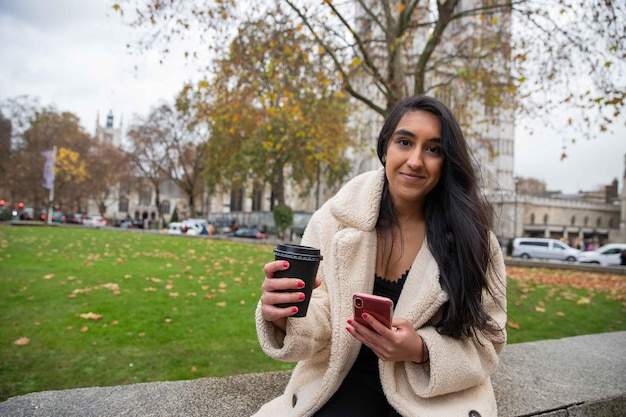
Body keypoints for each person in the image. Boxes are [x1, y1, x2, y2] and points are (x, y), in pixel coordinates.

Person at [254, 95, 507, 417]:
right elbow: (320, 320)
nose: (415, 160)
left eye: (433, 149)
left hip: (431, 399)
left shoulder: (475, 241)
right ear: (385, 148)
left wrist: (421, 350)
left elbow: (488, 342)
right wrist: (282, 315)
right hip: (338, 384)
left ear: (446, 161)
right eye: (405, 142)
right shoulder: (333, 220)